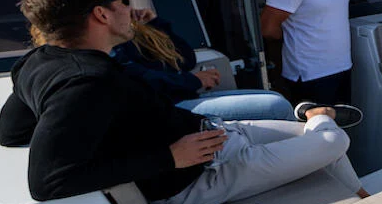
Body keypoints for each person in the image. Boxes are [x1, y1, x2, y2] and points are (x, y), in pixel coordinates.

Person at [0, 0, 368, 204]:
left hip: (215, 137)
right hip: (203, 175)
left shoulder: (38, 60)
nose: (129, 7)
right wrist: (169, 158)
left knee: (318, 140)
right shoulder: (85, 82)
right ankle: (320, 115)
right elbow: (47, 181)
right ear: (101, 14)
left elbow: (10, 132)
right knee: (334, 141)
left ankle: (360, 195)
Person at [112, 12, 296, 122]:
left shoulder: (133, 36)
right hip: (169, 109)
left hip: (183, 98)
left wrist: (155, 24)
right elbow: (143, 79)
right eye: (122, 0)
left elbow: (186, 60)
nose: (127, 6)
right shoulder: (113, 50)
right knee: (276, 106)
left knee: (274, 97)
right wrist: (194, 80)